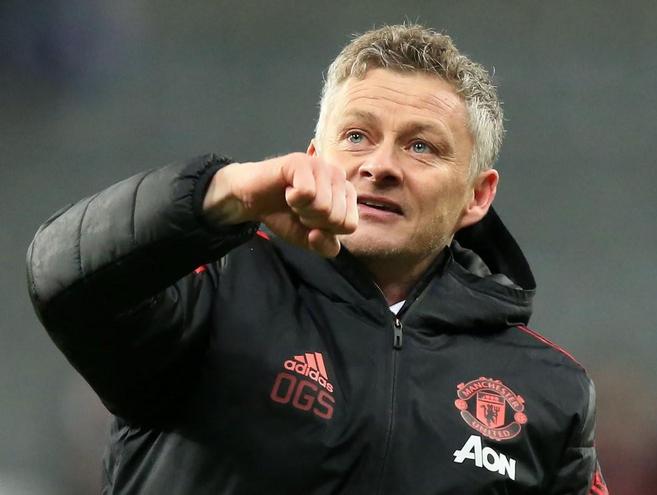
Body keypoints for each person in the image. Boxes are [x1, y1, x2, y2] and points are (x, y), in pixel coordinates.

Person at [27, 24, 609, 494]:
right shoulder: (212, 287)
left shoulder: (548, 391)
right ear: (313, 156)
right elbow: (62, 274)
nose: (379, 166)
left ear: (478, 196)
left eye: (420, 146)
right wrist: (223, 194)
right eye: (356, 136)